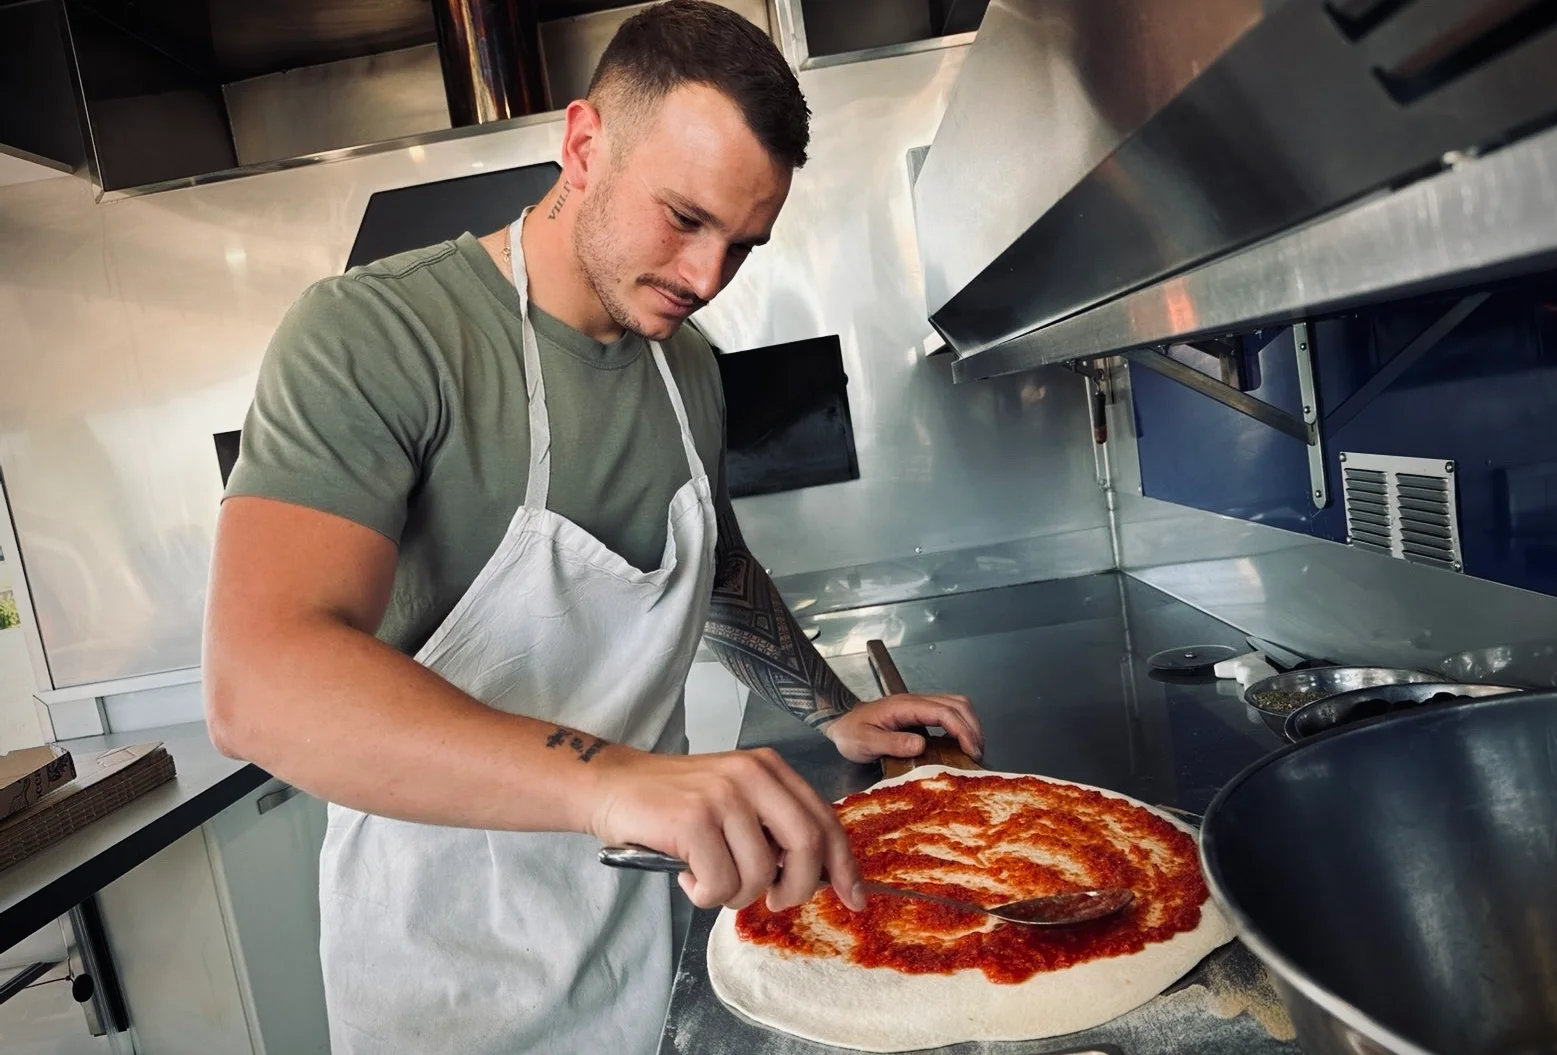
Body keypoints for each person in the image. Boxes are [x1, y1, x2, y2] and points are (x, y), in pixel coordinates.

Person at [203, 3, 982, 1052]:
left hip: (654, 932)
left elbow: (714, 568)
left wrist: (834, 709)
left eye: (741, 246)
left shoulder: (685, 362)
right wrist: (615, 781)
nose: (705, 278)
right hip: (453, 977)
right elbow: (258, 682)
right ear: (582, 145)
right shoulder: (375, 335)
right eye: (684, 218)